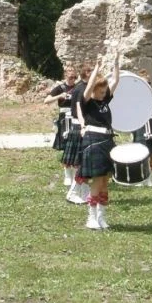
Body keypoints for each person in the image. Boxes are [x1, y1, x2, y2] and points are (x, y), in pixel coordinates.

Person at [79, 54, 120, 229]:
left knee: (105, 181)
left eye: (105, 92)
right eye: (101, 91)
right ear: (95, 90)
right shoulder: (87, 102)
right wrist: (97, 67)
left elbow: (116, 80)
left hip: (107, 140)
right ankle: (91, 217)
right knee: (97, 180)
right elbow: (88, 87)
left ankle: (102, 217)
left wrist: (116, 62)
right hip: (94, 140)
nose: (104, 94)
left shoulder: (104, 100)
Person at [62, 62, 93, 205]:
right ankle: (73, 193)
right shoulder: (81, 89)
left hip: (81, 126)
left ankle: (85, 191)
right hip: (79, 127)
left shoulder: (82, 87)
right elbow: (80, 110)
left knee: (83, 164)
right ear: (87, 74)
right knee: (81, 164)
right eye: (91, 72)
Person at [43, 66, 78, 186]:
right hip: (64, 119)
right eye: (70, 77)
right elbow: (46, 101)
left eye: (74, 77)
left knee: (76, 146)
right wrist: (59, 96)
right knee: (66, 146)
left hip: (76, 118)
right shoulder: (60, 88)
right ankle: (67, 174)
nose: (73, 79)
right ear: (65, 76)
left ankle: (76, 174)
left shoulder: (78, 87)